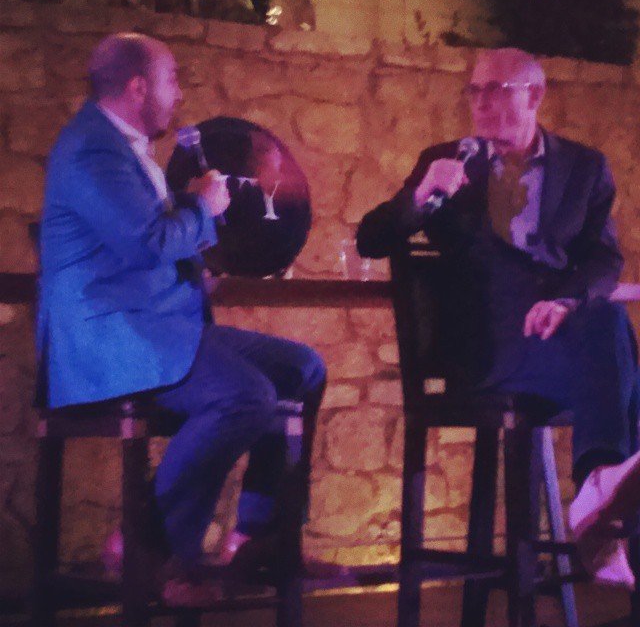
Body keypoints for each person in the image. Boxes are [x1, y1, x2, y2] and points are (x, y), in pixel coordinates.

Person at [37, 32, 326, 606]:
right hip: (110, 338)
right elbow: (147, 241)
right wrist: (203, 206)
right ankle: (148, 544)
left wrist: (199, 271)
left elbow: (138, 250)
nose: (179, 94)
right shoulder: (91, 149)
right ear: (138, 86)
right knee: (246, 396)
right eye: (172, 80)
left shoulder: (127, 149)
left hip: (157, 326)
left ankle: (256, 535)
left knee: (303, 369)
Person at [357, 47, 640, 589]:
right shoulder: (448, 160)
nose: (481, 102)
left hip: (555, 342)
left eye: (496, 89)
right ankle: (600, 500)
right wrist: (423, 192)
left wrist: (564, 302)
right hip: (484, 349)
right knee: (622, 358)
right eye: (475, 90)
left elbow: (603, 258)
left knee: (606, 326)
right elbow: (372, 239)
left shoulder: (584, 167)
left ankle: (602, 505)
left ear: (535, 96)